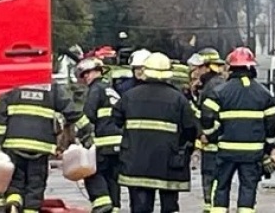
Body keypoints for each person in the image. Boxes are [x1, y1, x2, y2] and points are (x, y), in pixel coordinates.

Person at [113, 51, 198, 213]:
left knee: (140, 207)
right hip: (169, 163)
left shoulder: (129, 96)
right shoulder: (179, 99)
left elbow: (116, 120)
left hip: (137, 161)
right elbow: (190, 129)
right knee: (170, 206)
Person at [0, 82, 93, 213]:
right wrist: (86, 129)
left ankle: (14, 202)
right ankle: (30, 210)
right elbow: (71, 111)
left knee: (15, 181)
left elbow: (1, 117)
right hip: (40, 146)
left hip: (14, 144)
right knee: (35, 185)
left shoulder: (13, 86)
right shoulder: (52, 87)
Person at [201, 47, 275, 213]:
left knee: (221, 186)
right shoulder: (264, 94)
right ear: (252, 67)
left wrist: (214, 136)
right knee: (248, 189)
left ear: (231, 68)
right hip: (253, 152)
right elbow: (272, 123)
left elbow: (206, 116)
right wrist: (267, 147)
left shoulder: (220, 91)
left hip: (226, 151)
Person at [77, 57, 124, 213]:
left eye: (88, 73)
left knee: (93, 173)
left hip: (104, 143)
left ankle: (101, 205)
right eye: (83, 75)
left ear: (98, 71)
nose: (86, 77)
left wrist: (81, 137)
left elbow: (88, 115)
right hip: (119, 143)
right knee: (113, 178)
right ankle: (115, 208)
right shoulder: (111, 89)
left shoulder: (95, 90)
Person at [186, 48, 227, 213]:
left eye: (198, 67)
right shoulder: (211, 85)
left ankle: (213, 208)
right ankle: (210, 206)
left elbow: (209, 116)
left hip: (214, 143)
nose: (194, 71)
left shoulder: (213, 87)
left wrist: (208, 135)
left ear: (208, 67)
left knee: (212, 176)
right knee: (210, 176)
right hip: (212, 142)